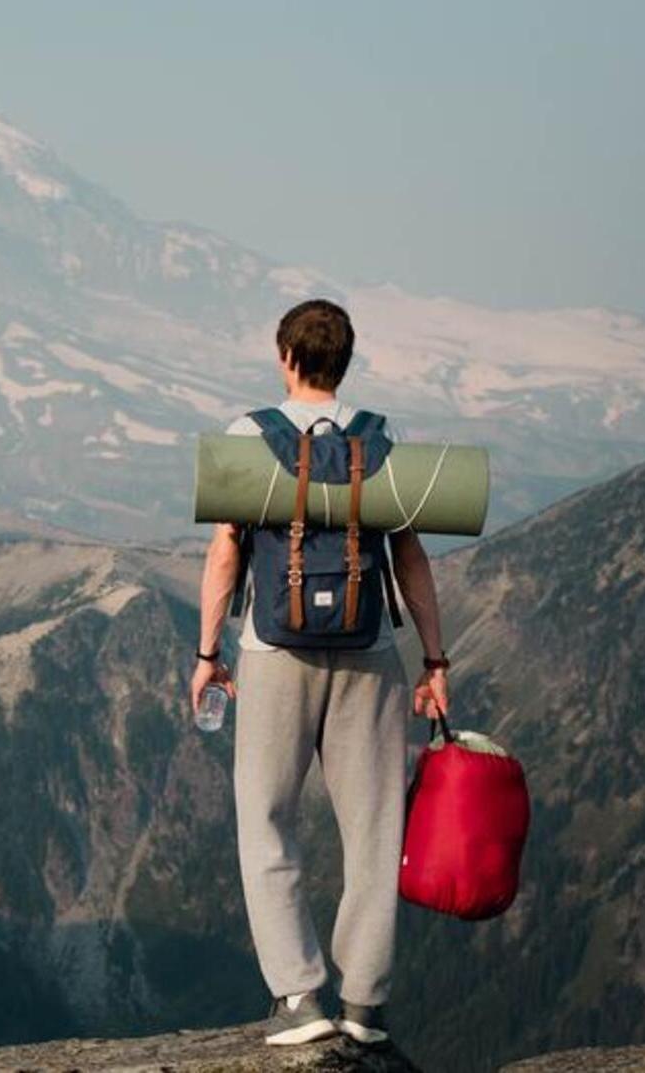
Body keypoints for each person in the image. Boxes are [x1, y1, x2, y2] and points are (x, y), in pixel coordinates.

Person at [188, 298, 450, 1048]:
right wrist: (434, 660)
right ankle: (364, 1005)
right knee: (372, 828)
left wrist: (208, 655)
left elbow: (225, 552)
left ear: (285, 356)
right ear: (345, 360)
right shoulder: (378, 437)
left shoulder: (248, 436)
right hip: (369, 655)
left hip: (275, 655)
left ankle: (299, 998)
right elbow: (408, 558)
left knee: (266, 819)